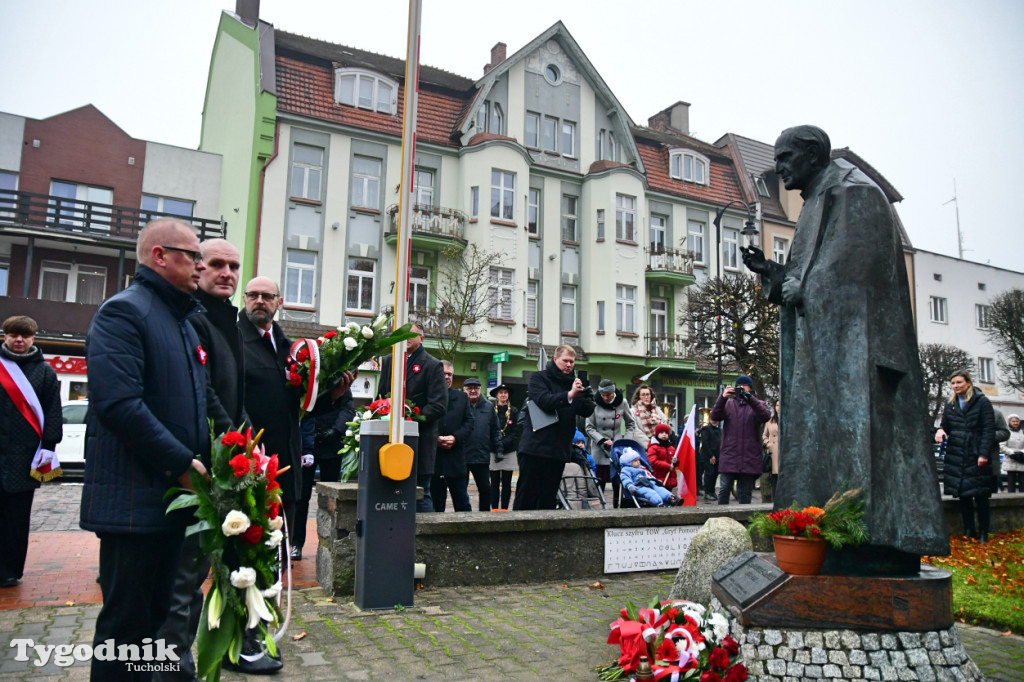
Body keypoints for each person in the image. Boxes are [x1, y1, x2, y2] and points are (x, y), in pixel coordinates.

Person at [741, 124, 948, 568]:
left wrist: (800, 287)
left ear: (814, 154)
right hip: (828, 355)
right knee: (820, 446)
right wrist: (774, 276)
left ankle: (866, 545)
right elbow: (811, 277)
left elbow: (854, 279)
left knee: (857, 452)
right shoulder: (817, 199)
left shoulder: (857, 193)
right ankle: (815, 535)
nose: (780, 169)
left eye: (786, 159)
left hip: (860, 362)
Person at [80, 218, 212, 681]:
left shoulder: (184, 322)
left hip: (171, 504)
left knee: (159, 624)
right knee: (125, 630)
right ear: (159, 255)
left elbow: (200, 407)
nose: (201, 265)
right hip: (134, 505)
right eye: (193, 255)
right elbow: (118, 404)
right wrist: (181, 464)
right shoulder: (124, 313)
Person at [156, 238, 249, 680]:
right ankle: (173, 663)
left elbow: (235, 392)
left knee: (201, 572)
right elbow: (204, 393)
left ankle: (197, 653)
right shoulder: (191, 319)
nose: (226, 273)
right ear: (198, 268)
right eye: (216, 264)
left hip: (227, 458)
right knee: (183, 574)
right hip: (195, 464)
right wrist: (234, 439)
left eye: (233, 266)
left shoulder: (229, 320)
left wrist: (248, 438)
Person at [238, 276, 303, 550]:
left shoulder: (289, 347)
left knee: (279, 552)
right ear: (244, 300)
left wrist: (333, 393)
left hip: (286, 465)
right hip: (249, 464)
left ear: (279, 303)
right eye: (253, 295)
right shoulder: (233, 341)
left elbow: (301, 404)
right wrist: (248, 445)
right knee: (249, 554)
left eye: (267, 296)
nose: (260, 301)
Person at [0, 315, 62, 589]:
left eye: (25, 335)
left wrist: (49, 446)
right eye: (14, 334)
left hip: (25, 457)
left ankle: (10, 570)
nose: (19, 340)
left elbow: (53, 411)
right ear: (5, 336)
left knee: (16, 518)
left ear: (33, 338)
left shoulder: (45, 372)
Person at [514, 345, 596, 510]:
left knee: (548, 498)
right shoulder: (539, 378)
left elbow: (586, 411)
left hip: (558, 450)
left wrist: (587, 397)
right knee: (527, 496)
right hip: (535, 449)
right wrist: (570, 395)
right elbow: (544, 401)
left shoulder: (573, 384)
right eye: (565, 360)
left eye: (572, 362)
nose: (569, 365)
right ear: (555, 359)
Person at [378, 323, 447, 512]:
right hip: (389, 441)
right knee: (389, 494)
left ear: (422, 339)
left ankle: (427, 540)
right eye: (402, 334)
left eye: (411, 334)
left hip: (420, 441)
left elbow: (439, 405)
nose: (406, 338)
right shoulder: (389, 361)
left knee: (420, 495)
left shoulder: (432, 365)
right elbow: (381, 397)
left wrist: (409, 420)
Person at [935, 370, 998, 543]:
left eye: (959, 382)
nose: (956, 386)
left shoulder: (982, 402)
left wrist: (983, 453)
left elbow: (988, 430)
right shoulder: (951, 403)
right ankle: (969, 529)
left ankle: (984, 531)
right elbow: (945, 425)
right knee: (963, 495)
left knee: (981, 495)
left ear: (968, 383)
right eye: (953, 383)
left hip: (975, 451)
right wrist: (940, 431)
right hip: (956, 453)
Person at [710, 376, 770, 505]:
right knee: (724, 489)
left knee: (745, 491)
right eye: (739, 385)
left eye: (745, 385)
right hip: (730, 455)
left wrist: (751, 399)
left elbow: (765, 416)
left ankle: (744, 521)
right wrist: (723, 397)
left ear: (751, 388)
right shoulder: (728, 404)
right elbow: (714, 417)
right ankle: (720, 520)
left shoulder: (758, 404)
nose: (742, 387)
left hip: (749, 456)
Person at [585, 379, 642, 508]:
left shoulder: (622, 403)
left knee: (618, 482)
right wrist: (602, 440)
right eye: (603, 395)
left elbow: (631, 424)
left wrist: (624, 442)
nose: (605, 398)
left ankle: (617, 508)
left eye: (608, 395)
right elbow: (589, 427)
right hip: (599, 449)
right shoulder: (593, 404)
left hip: (616, 449)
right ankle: (599, 510)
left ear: (613, 393)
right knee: (599, 483)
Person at [433, 361, 473, 512]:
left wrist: (455, 438)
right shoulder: (427, 396)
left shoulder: (462, 398)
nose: (447, 377)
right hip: (434, 459)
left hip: (455, 458)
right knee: (436, 504)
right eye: (443, 374)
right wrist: (435, 438)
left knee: (462, 503)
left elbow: (469, 423)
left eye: (449, 374)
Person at [462, 377, 499, 511]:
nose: (473, 391)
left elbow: (495, 430)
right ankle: (463, 516)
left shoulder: (488, 407)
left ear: (480, 390)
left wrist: (498, 450)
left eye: (476, 388)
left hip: (481, 456)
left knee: (485, 489)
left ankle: (484, 515)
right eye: (469, 388)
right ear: (464, 390)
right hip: (462, 456)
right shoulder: (459, 405)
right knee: (461, 490)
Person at [489, 384, 519, 511]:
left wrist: (505, 442)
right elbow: (488, 429)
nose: (503, 395)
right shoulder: (490, 409)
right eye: (500, 392)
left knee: (507, 483)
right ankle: (495, 508)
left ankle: (505, 509)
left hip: (509, 450)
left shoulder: (514, 410)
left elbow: (516, 431)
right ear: (496, 395)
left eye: (505, 392)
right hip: (493, 450)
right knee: (494, 483)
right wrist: (496, 443)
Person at [561, 430, 601, 509]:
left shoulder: (587, 457)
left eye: (582, 443)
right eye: (577, 443)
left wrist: (593, 479)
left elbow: (593, 468)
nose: (581, 445)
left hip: (586, 479)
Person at [647, 423, 679, 493]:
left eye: (666, 433)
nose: (664, 434)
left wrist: (676, 461)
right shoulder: (653, 447)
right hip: (659, 479)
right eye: (661, 433)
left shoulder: (671, 448)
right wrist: (667, 466)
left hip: (670, 480)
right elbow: (653, 462)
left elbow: (675, 464)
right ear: (657, 434)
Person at [630, 383, 666, 447]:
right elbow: (635, 431)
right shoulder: (633, 411)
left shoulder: (657, 410)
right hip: (642, 448)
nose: (646, 397)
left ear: (651, 396)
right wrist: (650, 445)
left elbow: (664, 425)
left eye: (648, 394)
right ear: (638, 397)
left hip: (660, 446)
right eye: (643, 395)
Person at [696, 418, 721, 502]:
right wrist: (711, 455)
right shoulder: (706, 429)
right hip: (709, 456)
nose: (716, 420)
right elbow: (705, 443)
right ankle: (707, 492)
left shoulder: (719, 430)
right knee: (709, 473)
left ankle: (712, 491)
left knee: (715, 474)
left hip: (718, 455)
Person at [761, 400, 780, 503]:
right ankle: (774, 501)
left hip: (784, 452)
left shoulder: (789, 421)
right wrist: (768, 443)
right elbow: (764, 435)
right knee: (774, 478)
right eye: (777, 405)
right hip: (773, 452)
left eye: (780, 405)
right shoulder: (770, 421)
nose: (778, 407)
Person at [1001, 413, 1024, 493]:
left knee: (1023, 483)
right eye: (1013, 421)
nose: (1015, 423)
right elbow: (1002, 445)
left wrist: (1021, 452)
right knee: (1011, 483)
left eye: (1017, 421)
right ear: (1009, 422)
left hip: (1022, 460)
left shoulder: (1023, 432)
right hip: (1010, 460)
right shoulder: (1006, 432)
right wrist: (1012, 453)